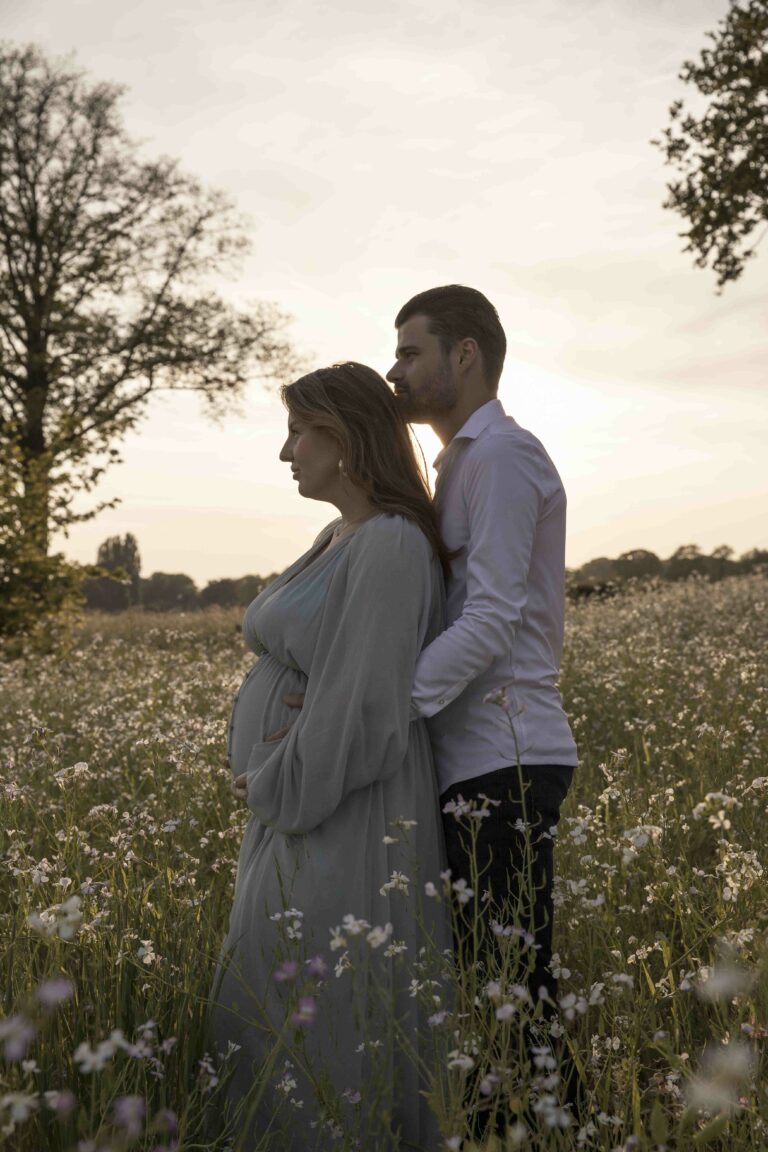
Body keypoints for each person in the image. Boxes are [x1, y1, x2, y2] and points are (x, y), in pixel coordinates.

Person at [209, 362, 450, 1152]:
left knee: (322, 1007)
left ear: (342, 438)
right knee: (274, 997)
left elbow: (365, 710)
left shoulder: (389, 545)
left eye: (296, 432)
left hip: (340, 810)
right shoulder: (337, 535)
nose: (286, 453)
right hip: (296, 806)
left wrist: (275, 779)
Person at [386, 285, 579, 1098]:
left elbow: (495, 614)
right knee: (493, 992)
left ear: (464, 354)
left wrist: (389, 704)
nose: (394, 371)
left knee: (515, 994)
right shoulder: (457, 464)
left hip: (506, 755)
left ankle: (559, 1128)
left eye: (409, 352)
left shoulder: (501, 457)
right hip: (470, 761)